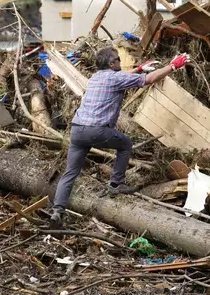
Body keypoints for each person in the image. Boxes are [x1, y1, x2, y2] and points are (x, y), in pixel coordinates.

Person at [49, 48, 190, 229]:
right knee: (125, 144)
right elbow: (150, 79)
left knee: (70, 173)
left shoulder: (95, 78)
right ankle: (116, 184)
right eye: (117, 59)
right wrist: (173, 66)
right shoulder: (116, 78)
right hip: (97, 131)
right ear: (111, 64)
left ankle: (57, 211)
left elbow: (124, 77)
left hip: (77, 131)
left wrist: (138, 69)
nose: (120, 62)